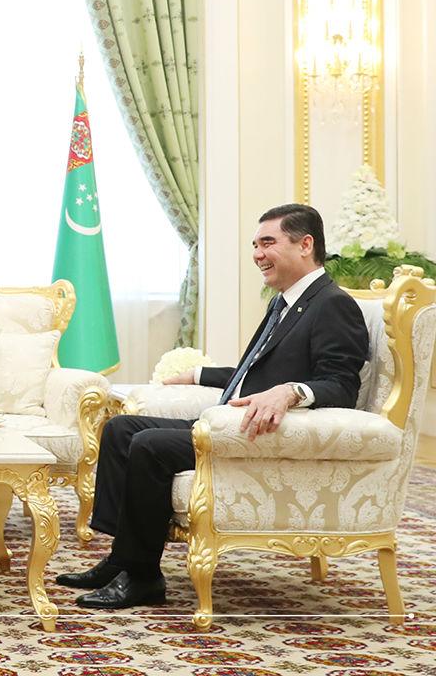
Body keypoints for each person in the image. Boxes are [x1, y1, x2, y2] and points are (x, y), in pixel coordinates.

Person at [57, 203, 368, 610]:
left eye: (268, 242)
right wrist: (200, 375)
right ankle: (122, 560)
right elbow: (252, 370)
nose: (257, 254)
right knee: (121, 428)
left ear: (305, 244)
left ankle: (143, 577)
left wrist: (290, 391)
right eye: (255, 245)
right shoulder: (286, 302)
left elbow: (342, 385)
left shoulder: (332, 304)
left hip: (261, 435)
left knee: (148, 445)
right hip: (228, 422)